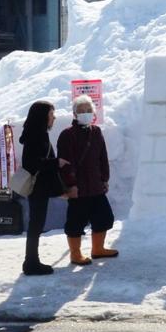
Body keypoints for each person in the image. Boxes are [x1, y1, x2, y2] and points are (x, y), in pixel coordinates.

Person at [56, 95, 118, 265]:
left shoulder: (96, 131)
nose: (85, 113)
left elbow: (102, 157)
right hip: (78, 188)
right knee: (76, 222)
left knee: (104, 217)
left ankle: (98, 249)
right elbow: (65, 163)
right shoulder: (67, 134)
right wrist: (70, 185)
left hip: (96, 186)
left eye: (88, 110)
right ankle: (75, 254)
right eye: (81, 111)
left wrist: (105, 178)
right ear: (74, 114)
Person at [18, 100, 68, 275]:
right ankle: (31, 263)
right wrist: (57, 162)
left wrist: (59, 190)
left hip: (39, 187)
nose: (53, 118)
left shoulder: (36, 133)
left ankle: (31, 261)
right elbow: (32, 163)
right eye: (51, 115)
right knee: (35, 225)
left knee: (36, 224)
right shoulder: (35, 136)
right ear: (42, 117)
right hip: (37, 188)